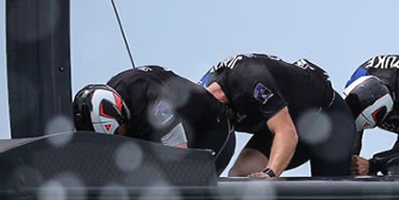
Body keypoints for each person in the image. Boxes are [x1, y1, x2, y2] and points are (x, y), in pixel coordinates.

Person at [200, 53, 354, 178]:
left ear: (223, 99)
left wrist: (270, 173)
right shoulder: (199, 98)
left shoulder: (253, 82)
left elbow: (286, 132)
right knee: (241, 175)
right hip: (286, 119)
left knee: (328, 196)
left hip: (326, 118)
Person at [73, 65, 236, 175]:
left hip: (212, 128)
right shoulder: (115, 90)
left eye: (118, 133)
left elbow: (180, 155)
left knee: (184, 179)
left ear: (121, 113)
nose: (120, 138)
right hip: (161, 130)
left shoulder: (154, 102)